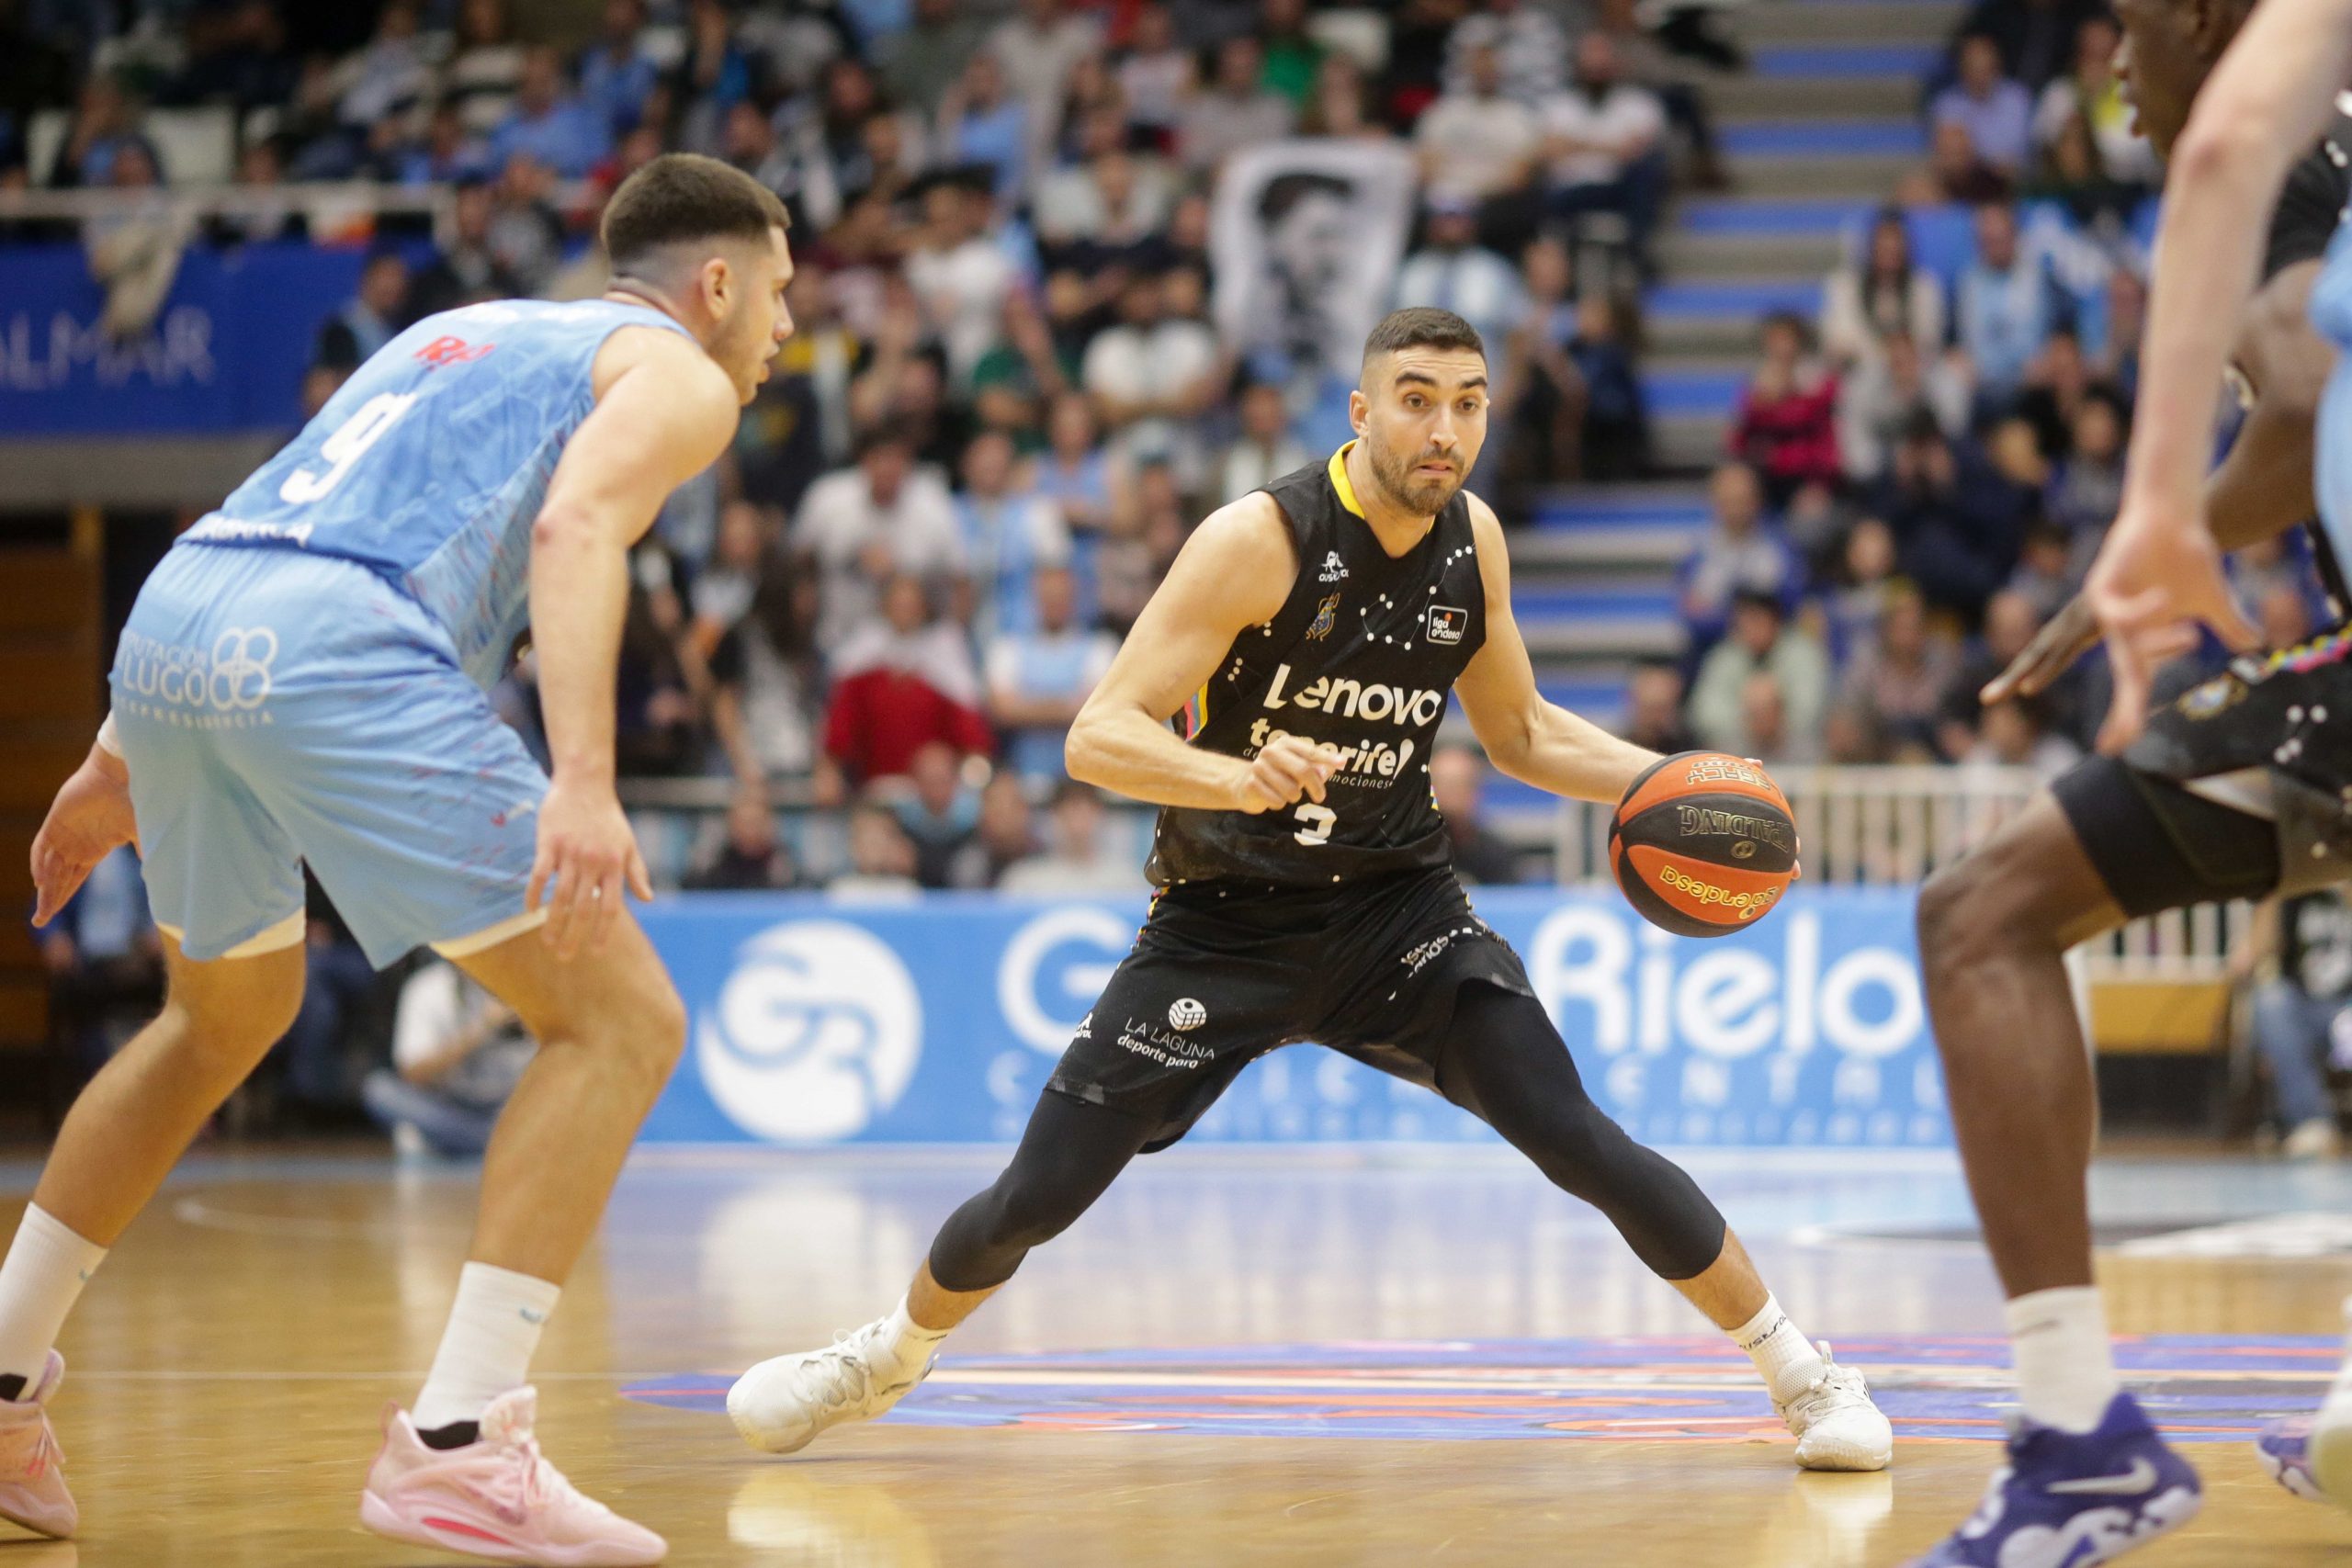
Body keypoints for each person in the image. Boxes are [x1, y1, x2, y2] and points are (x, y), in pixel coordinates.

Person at [726, 307, 1892, 1475]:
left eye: (1469, 404)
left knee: (1575, 1134)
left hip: (1398, 913)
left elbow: (1523, 733)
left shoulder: (1472, 539)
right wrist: (1232, 778)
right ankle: (884, 1358)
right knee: (1035, 1196)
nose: (1445, 430)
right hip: (1223, 921)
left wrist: (1678, 786)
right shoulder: (1258, 538)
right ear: (1362, 411)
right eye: (1418, 400)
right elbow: (1097, 735)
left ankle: (1802, 1374)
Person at [17, 152, 795, 1563]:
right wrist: (584, 780)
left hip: (182, 613)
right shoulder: (679, 372)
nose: (787, 329)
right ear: (718, 282)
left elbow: (272, 506)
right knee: (620, 1020)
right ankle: (458, 1442)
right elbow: (575, 526)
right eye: (782, 292)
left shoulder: (464, 328)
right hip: (336, 644)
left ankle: (2, 1379)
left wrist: (117, 754)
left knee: (219, 1017)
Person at [1900, 0, 2352, 1551]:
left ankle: (2077, 1433)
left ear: (2216, 24)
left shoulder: (2274, 155)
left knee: (1981, 915)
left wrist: (2149, 539)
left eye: (2133, 20)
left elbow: (2300, 405)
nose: (2109, 65)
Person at [362, 959, 536, 1157]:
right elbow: (412, 1073)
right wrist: (482, 1029)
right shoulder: (428, 987)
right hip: (450, 1102)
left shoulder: (523, 979)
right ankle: (491, 1143)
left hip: (509, 1105)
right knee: (380, 1090)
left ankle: (476, 1143)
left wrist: (533, 1027)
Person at [2238, 890, 2352, 1160]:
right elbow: (2251, 957)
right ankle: (2312, 1123)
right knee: (2270, 1001)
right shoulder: (2293, 889)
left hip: (2347, 1008)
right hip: (2305, 1010)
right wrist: (2272, 895)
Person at [1429, 746, 1521, 885]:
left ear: (1477, 791)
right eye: (1445, 784)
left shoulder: (1496, 854)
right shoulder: (1410, 852)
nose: (1453, 794)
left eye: (1462, 784)